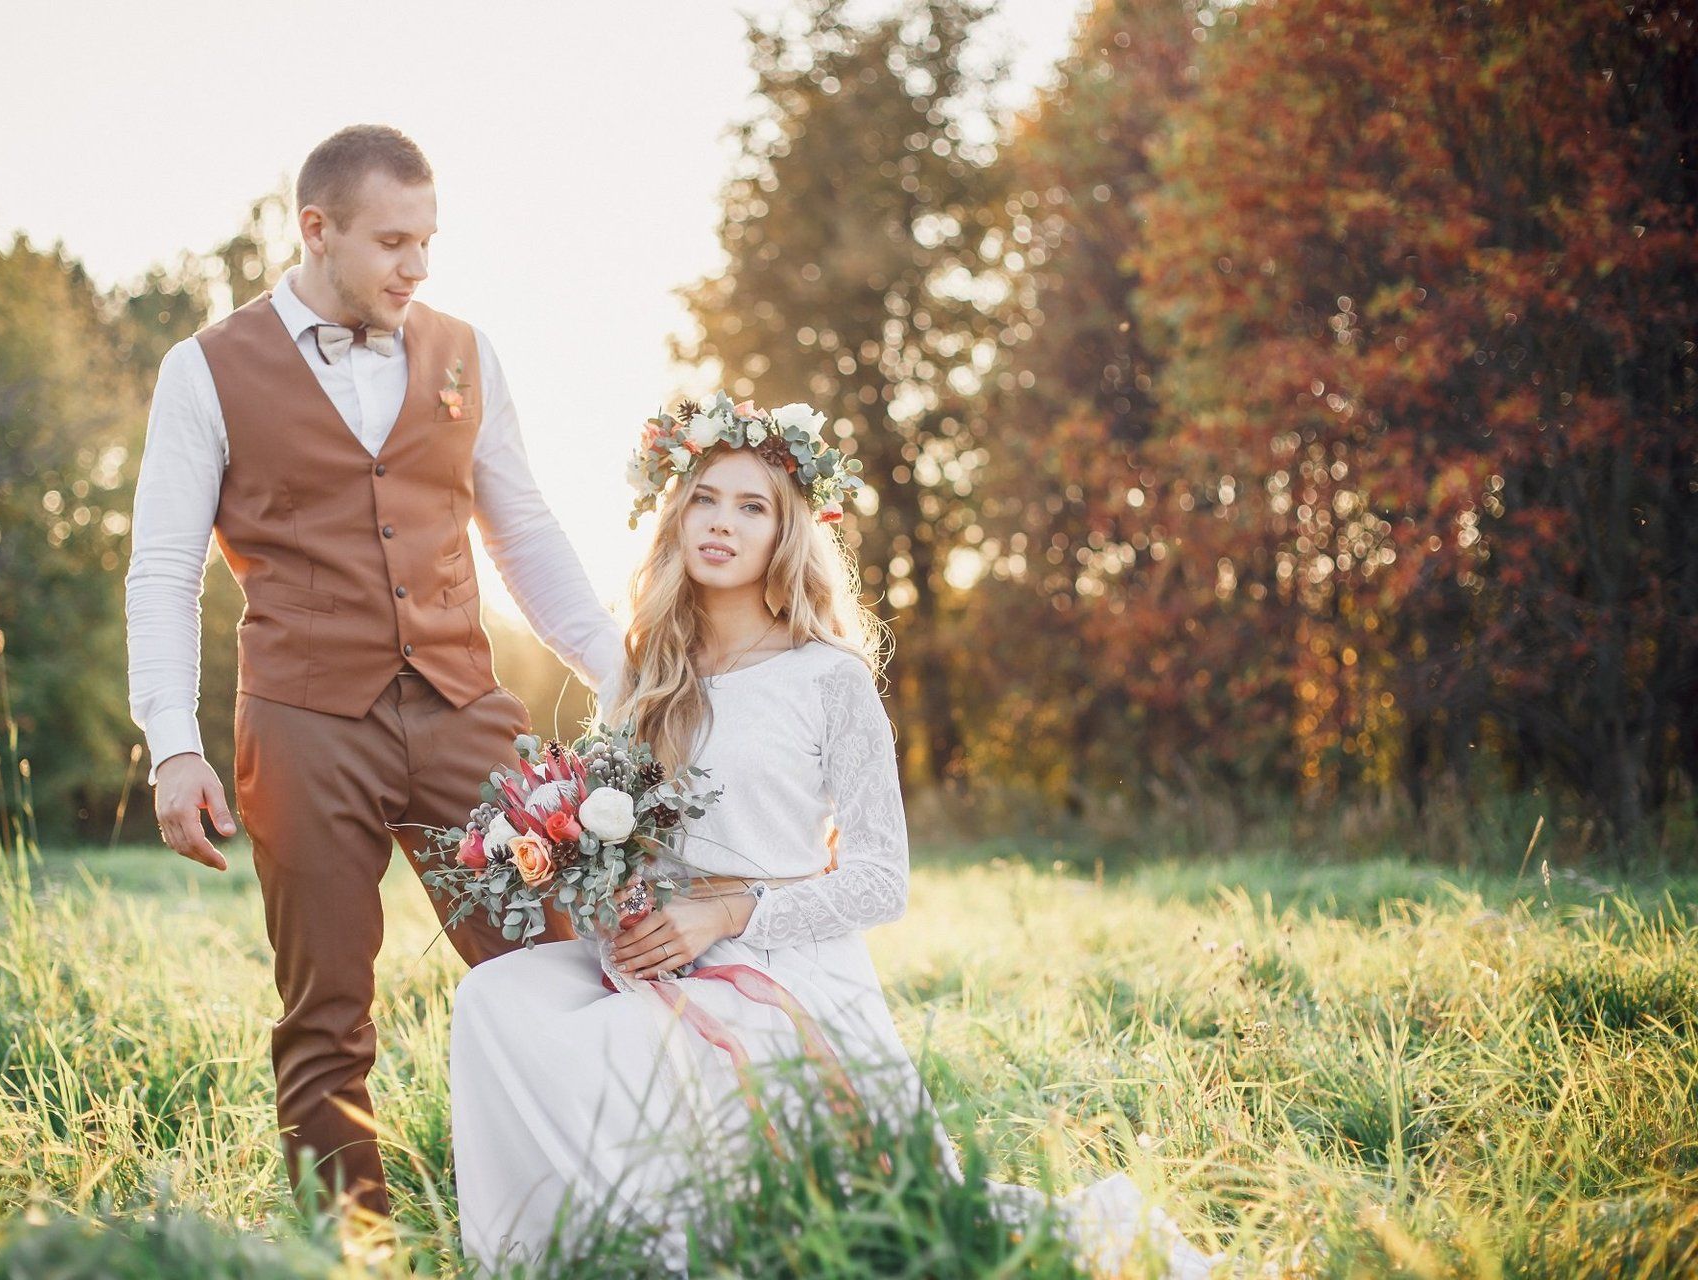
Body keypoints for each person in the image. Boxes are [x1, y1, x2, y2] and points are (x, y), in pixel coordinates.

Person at [448, 401, 1217, 1276]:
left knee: (859, 1212)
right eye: (705, 499)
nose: (723, 524)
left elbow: (881, 880)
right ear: (677, 515)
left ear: (787, 533)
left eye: (753, 506)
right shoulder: (642, 671)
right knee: (496, 1001)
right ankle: (552, 1257)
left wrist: (731, 912)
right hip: (655, 961)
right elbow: (546, 588)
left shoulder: (828, 678)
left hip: (780, 968)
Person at [123, 124, 619, 1221]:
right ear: (317, 229)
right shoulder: (204, 369)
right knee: (326, 1010)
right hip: (305, 725)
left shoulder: (465, 352)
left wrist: (626, 670)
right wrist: (174, 741)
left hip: (465, 714)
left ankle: (582, 1217)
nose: (418, 266)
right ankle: (351, 1246)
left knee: (557, 965)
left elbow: (524, 531)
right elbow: (161, 569)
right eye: (394, 240)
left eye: (429, 240)